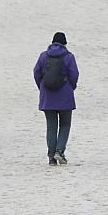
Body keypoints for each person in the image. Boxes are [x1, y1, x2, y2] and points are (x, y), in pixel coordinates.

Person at [33, 32, 79, 166]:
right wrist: (71, 87)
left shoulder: (43, 56)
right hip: (65, 94)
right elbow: (74, 74)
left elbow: (36, 73)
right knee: (65, 124)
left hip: (47, 96)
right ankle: (59, 151)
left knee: (51, 126)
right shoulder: (69, 57)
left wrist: (42, 87)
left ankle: (51, 157)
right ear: (65, 43)